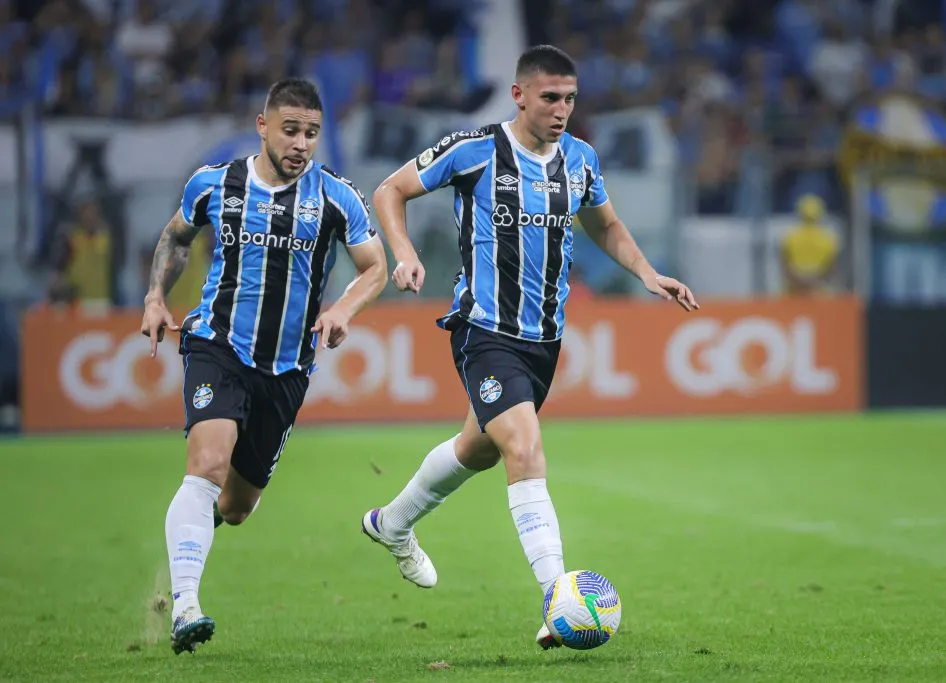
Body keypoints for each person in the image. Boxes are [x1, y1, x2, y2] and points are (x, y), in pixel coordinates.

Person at [362, 45, 699, 649]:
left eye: (570, 98)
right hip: (486, 331)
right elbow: (389, 191)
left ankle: (392, 524)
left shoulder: (580, 159)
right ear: (519, 95)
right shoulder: (473, 150)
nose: (562, 109)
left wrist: (647, 273)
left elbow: (606, 224)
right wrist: (404, 254)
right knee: (523, 445)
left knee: (480, 448)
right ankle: (558, 600)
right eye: (550, 97)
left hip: (544, 340)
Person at [140, 78, 387, 655]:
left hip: (287, 367)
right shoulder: (216, 182)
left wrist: (343, 307)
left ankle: (193, 540)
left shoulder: (335, 196)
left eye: (312, 134)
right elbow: (176, 237)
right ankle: (185, 607)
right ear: (263, 126)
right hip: (217, 344)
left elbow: (374, 267)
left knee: (237, 505)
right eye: (291, 131)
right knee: (206, 464)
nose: (302, 144)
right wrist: (156, 298)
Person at [780, 193, 839, 295]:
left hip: (794, 291)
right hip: (819, 291)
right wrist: (814, 282)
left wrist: (801, 281)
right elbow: (831, 270)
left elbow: (785, 268)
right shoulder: (829, 239)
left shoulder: (789, 237)